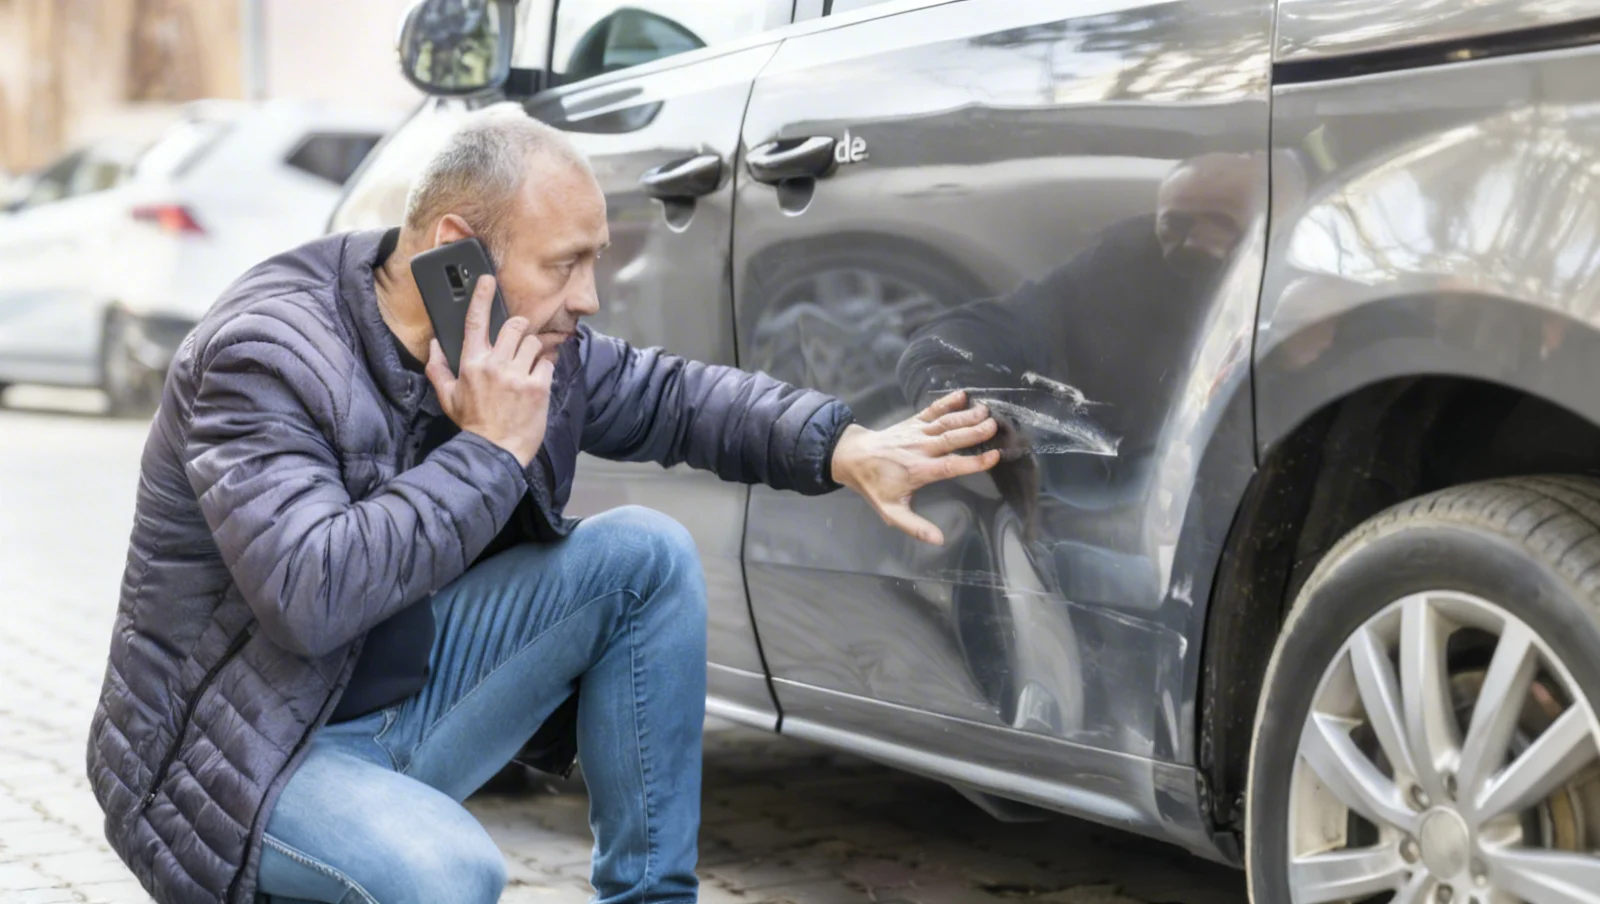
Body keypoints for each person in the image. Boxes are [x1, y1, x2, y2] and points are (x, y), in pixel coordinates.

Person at [86, 105, 1002, 904]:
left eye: (594, 263)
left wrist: (844, 448)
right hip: (244, 761)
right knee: (446, 875)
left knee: (643, 556)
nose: (588, 299)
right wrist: (489, 450)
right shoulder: (267, 357)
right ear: (456, 251)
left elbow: (672, 397)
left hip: (395, 705)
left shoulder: (519, 340)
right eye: (565, 265)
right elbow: (310, 595)